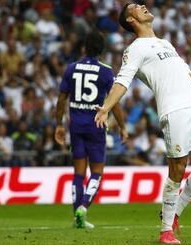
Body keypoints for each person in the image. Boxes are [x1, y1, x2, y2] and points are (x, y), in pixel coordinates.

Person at [94, 3, 191, 244]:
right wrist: (107, 107)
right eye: (135, 7)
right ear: (131, 20)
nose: (143, 6)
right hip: (174, 112)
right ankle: (166, 231)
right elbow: (122, 81)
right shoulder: (134, 49)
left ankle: (172, 212)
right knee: (177, 170)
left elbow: (184, 70)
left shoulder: (165, 43)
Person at [55, 30, 127, 229]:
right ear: (102, 50)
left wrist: (59, 125)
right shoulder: (105, 71)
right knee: (97, 172)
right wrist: (122, 127)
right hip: (96, 126)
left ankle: (76, 215)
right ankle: (84, 208)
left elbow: (61, 99)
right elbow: (115, 103)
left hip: (75, 126)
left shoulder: (71, 68)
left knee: (78, 172)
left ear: (84, 48)